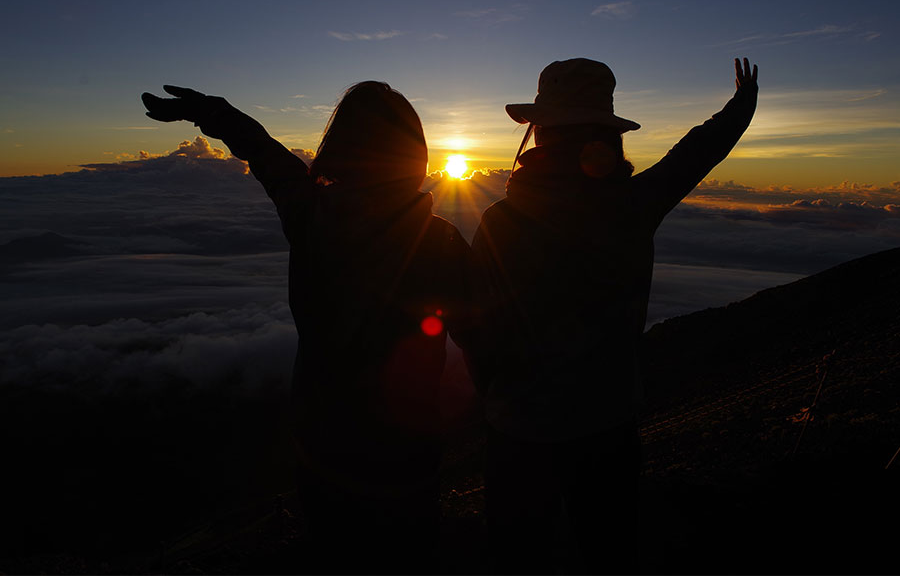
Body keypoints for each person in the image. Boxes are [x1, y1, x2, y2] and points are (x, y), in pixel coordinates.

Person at [141, 81, 474, 574]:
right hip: (406, 453)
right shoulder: (441, 243)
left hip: (321, 447)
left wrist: (213, 112)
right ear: (414, 157)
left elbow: (268, 157)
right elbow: (488, 337)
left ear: (338, 149)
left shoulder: (310, 216)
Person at [467, 57, 758, 574]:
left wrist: (492, 390)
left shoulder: (500, 220)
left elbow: (476, 325)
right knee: (608, 549)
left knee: (515, 555)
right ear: (606, 134)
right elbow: (694, 155)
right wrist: (740, 107)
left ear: (538, 133)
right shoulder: (631, 204)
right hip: (606, 421)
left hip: (516, 425)